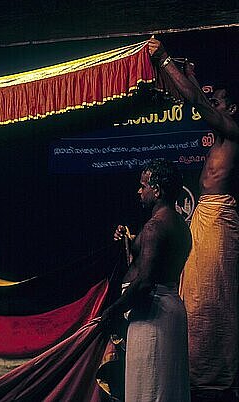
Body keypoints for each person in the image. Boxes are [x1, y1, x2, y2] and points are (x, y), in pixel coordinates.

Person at [148, 37, 239, 401]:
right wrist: (187, 73)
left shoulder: (233, 131)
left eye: (218, 100)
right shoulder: (223, 135)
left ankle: (213, 378)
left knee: (210, 298)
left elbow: (197, 102)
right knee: (195, 294)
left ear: (232, 107)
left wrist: (164, 60)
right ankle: (195, 371)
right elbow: (198, 98)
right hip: (207, 214)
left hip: (219, 217)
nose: (212, 102)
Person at [103, 159, 192, 402]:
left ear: (157, 190)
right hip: (168, 312)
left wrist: (112, 312)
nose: (139, 191)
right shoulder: (179, 225)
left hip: (152, 317)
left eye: (143, 186)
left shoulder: (154, 227)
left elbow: (144, 282)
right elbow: (156, 265)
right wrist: (131, 244)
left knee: (148, 391)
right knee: (165, 390)